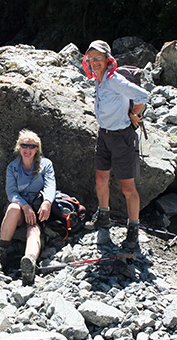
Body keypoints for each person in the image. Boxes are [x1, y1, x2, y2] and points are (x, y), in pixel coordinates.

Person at [82, 40, 149, 249]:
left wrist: (134, 114)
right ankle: (103, 216)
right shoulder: (98, 80)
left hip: (121, 137)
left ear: (107, 59)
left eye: (98, 58)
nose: (94, 63)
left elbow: (143, 96)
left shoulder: (114, 80)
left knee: (127, 187)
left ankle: (133, 230)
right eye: (91, 59)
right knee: (101, 177)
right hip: (104, 135)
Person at [0, 129, 56, 284]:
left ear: (37, 149)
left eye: (32, 146)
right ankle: (1, 255)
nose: (28, 149)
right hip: (19, 210)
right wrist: (25, 206)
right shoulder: (12, 168)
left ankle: (29, 262)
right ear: (19, 147)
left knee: (34, 229)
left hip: (37, 208)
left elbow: (50, 185)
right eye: (24, 145)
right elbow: (11, 192)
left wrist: (47, 202)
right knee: (13, 208)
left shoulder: (46, 165)